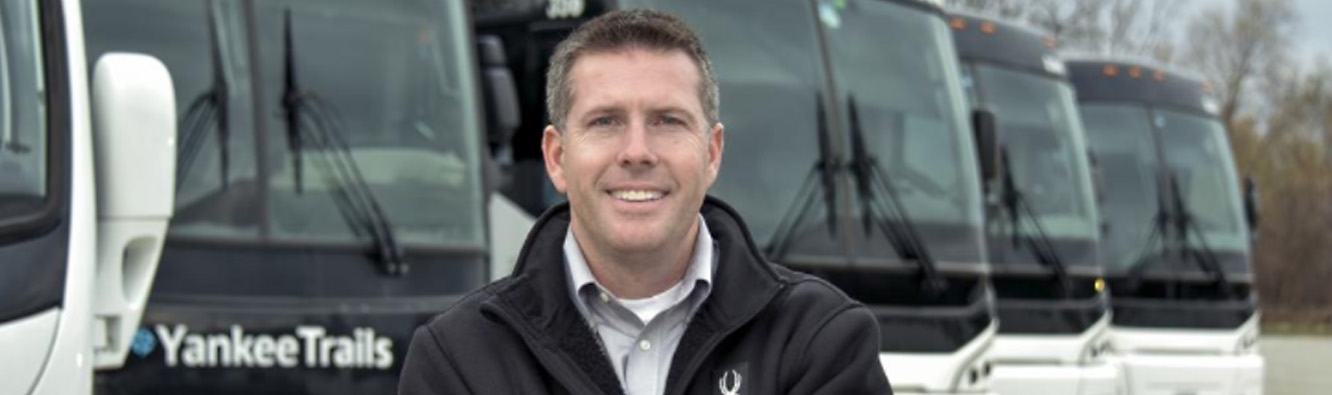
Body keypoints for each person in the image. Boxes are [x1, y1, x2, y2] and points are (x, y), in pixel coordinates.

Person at [398, 9, 891, 395]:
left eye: (668, 121)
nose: (637, 152)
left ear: (712, 153)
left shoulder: (819, 340)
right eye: (605, 121)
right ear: (557, 157)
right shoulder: (458, 358)